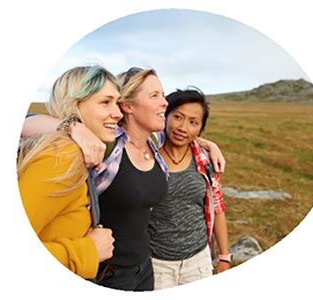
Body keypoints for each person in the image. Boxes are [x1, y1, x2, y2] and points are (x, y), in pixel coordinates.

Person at [22, 67, 226, 291]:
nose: (165, 102)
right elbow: (24, 122)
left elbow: (182, 133)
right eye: (154, 95)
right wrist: (72, 126)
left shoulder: (154, 141)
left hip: (143, 267)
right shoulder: (100, 147)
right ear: (128, 106)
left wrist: (208, 145)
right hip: (107, 274)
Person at [17, 65, 119, 280]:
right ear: (74, 105)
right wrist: (86, 252)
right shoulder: (63, 156)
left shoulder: (74, 152)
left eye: (117, 102)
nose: (117, 113)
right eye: (105, 102)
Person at [148, 88, 231, 290]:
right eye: (177, 117)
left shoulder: (205, 159)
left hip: (199, 261)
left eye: (193, 122)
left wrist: (224, 257)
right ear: (165, 116)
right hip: (156, 264)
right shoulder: (146, 155)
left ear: (200, 129)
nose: (183, 127)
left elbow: (217, 208)